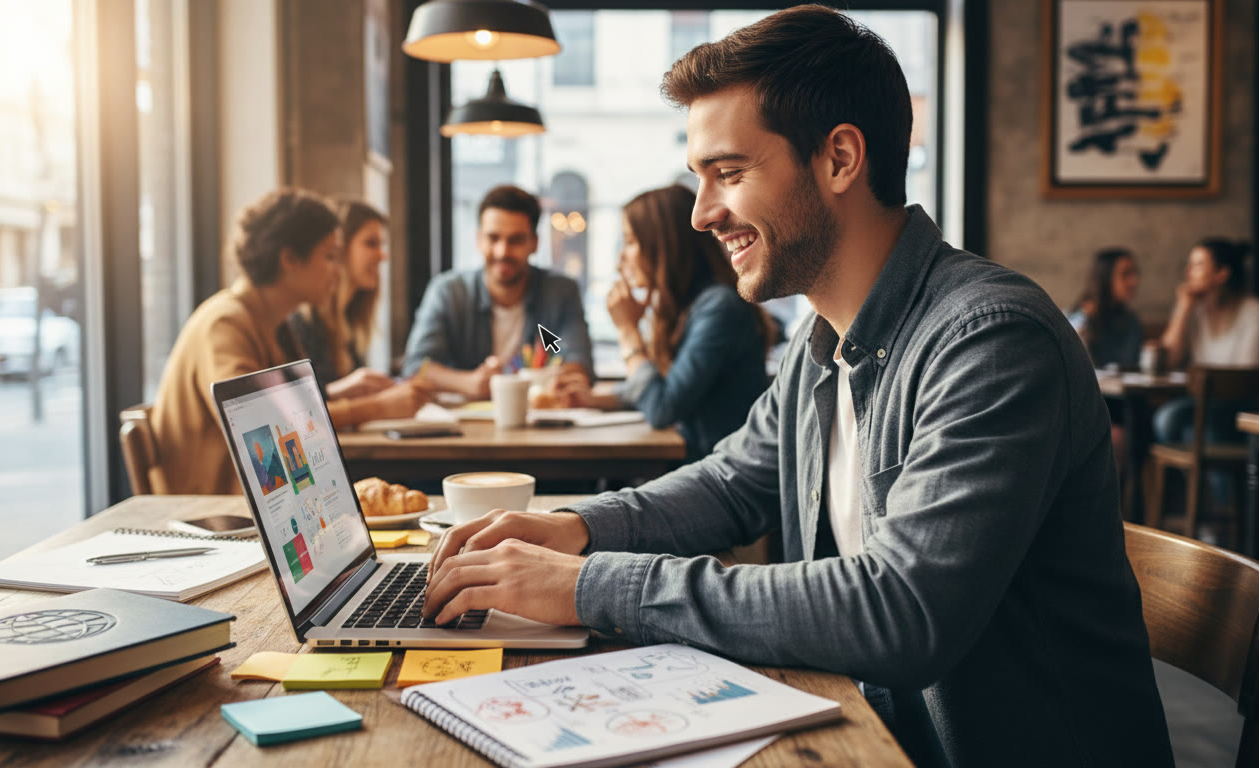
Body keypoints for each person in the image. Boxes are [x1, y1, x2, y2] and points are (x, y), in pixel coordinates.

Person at [420, 8, 1172, 766]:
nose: (702, 212)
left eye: (729, 173)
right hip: (873, 728)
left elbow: (900, 610)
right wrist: (574, 530)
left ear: (840, 158)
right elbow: (729, 484)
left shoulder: (992, 340)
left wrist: (589, 586)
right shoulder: (823, 345)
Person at [150, 188, 427, 495]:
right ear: (290, 259)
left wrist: (341, 395)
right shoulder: (225, 323)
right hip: (215, 511)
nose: (338, 271)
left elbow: (293, 411)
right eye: (331, 256)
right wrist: (376, 407)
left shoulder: (274, 325)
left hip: (261, 503)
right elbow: (262, 429)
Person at [556, 185, 771, 458]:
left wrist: (627, 331)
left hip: (722, 475)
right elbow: (663, 387)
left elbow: (662, 408)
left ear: (663, 246)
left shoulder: (719, 308)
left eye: (631, 243)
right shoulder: (685, 308)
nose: (622, 258)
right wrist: (597, 399)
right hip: (697, 466)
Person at [401, 185, 594, 399]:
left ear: (534, 243)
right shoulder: (449, 293)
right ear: (479, 239)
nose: (503, 252)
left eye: (516, 240)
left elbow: (578, 362)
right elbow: (417, 366)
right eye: (493, 238)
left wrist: (556, 380)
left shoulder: (559, 293)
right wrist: (468, 383)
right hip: (465, 427)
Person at [286, 200, 407, 402]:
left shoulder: (348, 320)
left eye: (382, 245)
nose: (383, 255)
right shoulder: (299, 323)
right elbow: (296, 406)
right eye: (371, 243)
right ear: (339, 247)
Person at [1155, 239, 1259, 445]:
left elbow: (1246, 378)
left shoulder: (1254, 311)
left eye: (1198, 265)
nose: (1188, 272)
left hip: (1242, 404)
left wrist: (1204, 381)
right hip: (1201, 402)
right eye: (1189, 264)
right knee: (1168, 420)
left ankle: (1203, 477)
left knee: (1177, 420)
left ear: (1222, 274)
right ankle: (1197, 477)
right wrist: (1183, 308)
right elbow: (1169, 359)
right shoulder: (1194, 310)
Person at [1068, 247, 1143, 369]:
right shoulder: (1080, 318)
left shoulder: (1130, 320)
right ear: (1105, 277)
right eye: (1125, 274)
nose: (1134, 281)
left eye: (1135, 273)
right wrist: (1084, 321)